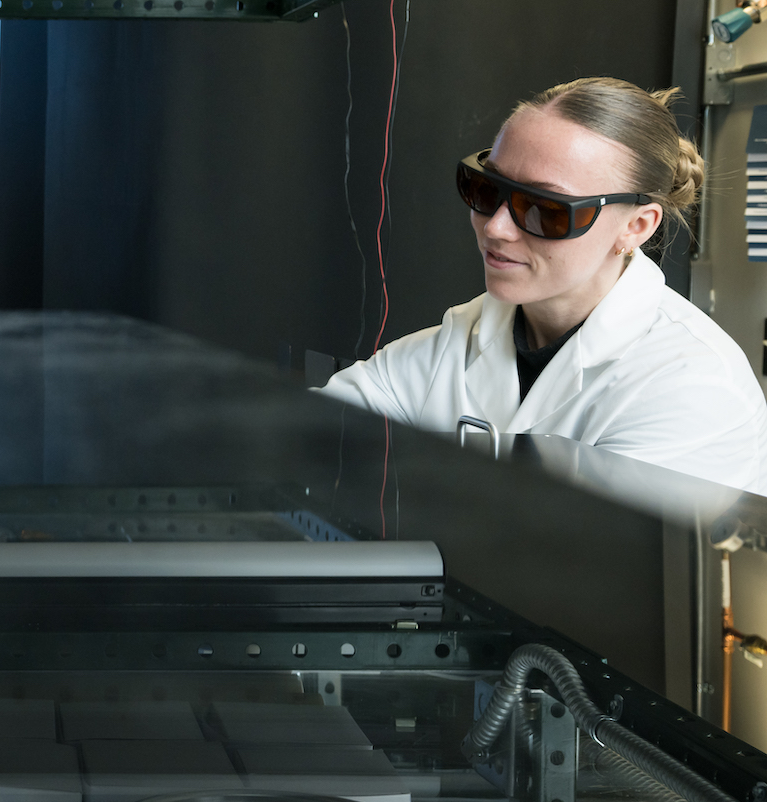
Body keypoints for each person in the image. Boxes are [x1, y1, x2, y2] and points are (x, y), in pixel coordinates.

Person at [322, 77, 767, 493]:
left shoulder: (694, 387)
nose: (496, 228)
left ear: (635, 226)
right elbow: (310, 436)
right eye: (485, 188)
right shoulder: (461, 338)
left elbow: (590, 561)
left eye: (544, 208)